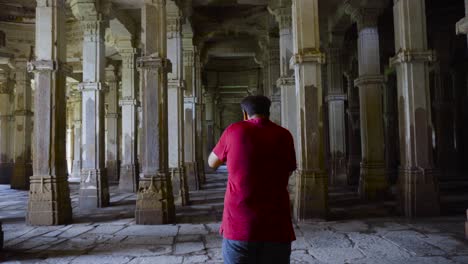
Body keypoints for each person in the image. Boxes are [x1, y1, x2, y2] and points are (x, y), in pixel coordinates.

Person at [208, 95, 297, 264]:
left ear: (244, 114)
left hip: (239, 223)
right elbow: (289, 170)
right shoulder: (284, 135)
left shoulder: (234, 131)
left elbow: (212, 162)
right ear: (268, 112)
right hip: (276, 223)